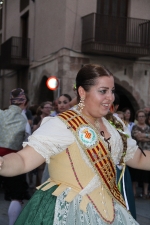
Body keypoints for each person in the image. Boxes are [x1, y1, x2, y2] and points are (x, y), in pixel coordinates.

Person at [1, 64, 150, 225]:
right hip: (70, 213)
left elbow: (139, 159)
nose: (111, 97)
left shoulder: (114, 125)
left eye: (112, 91)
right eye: (103, 91)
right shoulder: (61, 125)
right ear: (81, 92)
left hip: (110, 212)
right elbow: (23, 160)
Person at [0, 88, 29, 225]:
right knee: (16, 197)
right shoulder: (25, 122)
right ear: (24, 104)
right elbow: (27, 144)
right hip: (14, 161)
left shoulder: (0, 114)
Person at [130, 109, 150, 199]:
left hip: (147, 151)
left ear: (145, 118)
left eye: (143, 116)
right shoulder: (135, 127)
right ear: (137, 118)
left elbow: (141, 137)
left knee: (146, 174)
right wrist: (147, 137)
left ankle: (145, 192)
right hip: (137, 152)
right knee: (135, 173)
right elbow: (137, 137)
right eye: (139, 116)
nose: (141, 118)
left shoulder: (148, 127)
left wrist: (143, 136)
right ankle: (134, 192)